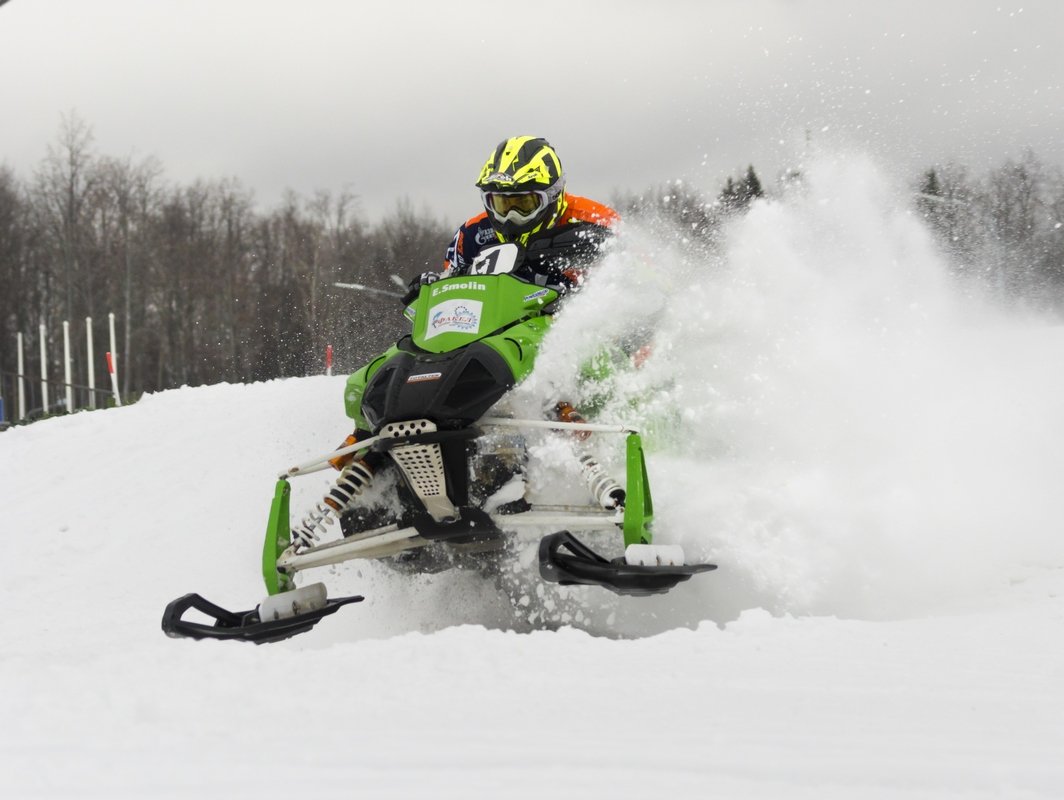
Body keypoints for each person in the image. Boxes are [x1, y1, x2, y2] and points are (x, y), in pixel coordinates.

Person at [403, 135, 619, 303]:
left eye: (523, 205)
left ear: (552, 197)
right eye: (501, 205)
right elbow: (456, 293)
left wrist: (595, 250)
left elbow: (639, 281)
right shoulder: (472, 234)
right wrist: (435, 287)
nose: (510, 218)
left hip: (577, 337)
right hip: (496, 339)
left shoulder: (595, 219)